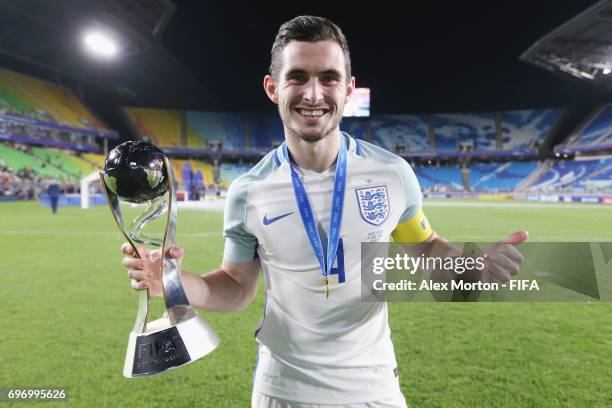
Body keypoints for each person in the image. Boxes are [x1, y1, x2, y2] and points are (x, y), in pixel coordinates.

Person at [122, 16, 527, 407]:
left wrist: (470, 269)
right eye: (297, 77)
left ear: (348, 88)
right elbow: (235, 286)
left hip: (374, 387)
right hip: (283, 390)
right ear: (272, 88)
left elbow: (427, 248)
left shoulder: (391, 174)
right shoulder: (250, 191)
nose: (313, 94)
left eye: (328, 78)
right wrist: (173, 282)